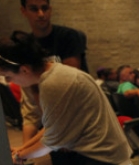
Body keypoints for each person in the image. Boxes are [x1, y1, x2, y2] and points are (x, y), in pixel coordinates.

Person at [0, 31, 132, 165]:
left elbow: (51, 141)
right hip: (98, 154)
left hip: (102, 158)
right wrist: (22, 149)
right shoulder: (55, 73)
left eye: (8, 76)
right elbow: (52, 126)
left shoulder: (53, 83)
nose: (8, 82)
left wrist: (18, 156)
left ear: (24, 69)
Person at [19, 0, 89, 145]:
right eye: (34, 9)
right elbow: (35, 90)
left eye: (44, 8)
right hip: (54, 115)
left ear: (50, 9)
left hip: (80, 112)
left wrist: (63, 128)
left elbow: (70, 82)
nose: (41, 14)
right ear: (23, 11)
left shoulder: (68, 36)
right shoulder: (28, 45)